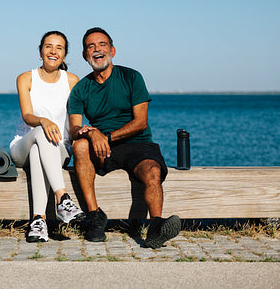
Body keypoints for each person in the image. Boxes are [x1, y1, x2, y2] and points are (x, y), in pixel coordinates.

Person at [68, 27, 181, 248]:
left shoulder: (131, 77)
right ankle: (95, 217)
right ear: (85, 55)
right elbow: (74, 128)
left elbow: (141, 122)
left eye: (102, 44)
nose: (97, 49)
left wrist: (107, 136)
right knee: (79, 145)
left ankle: (156, 226)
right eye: (91, 46)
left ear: (112, 50)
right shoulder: (81, 89)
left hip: (138, 144)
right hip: (103, 150)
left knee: (152, 171)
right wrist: (92, 132)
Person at [10, 30, 85, 243]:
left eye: (59, 48)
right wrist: (43, 121)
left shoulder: (72, 80)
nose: (53, 51)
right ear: (41, 51)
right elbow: (27, 115)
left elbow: (75, 119)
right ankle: (62, 198)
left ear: (64, 54)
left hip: (58, 149)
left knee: (38, 152)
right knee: (38, 139)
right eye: (48, 46)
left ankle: (38, 221)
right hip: (23, 144)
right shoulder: (25, 78)